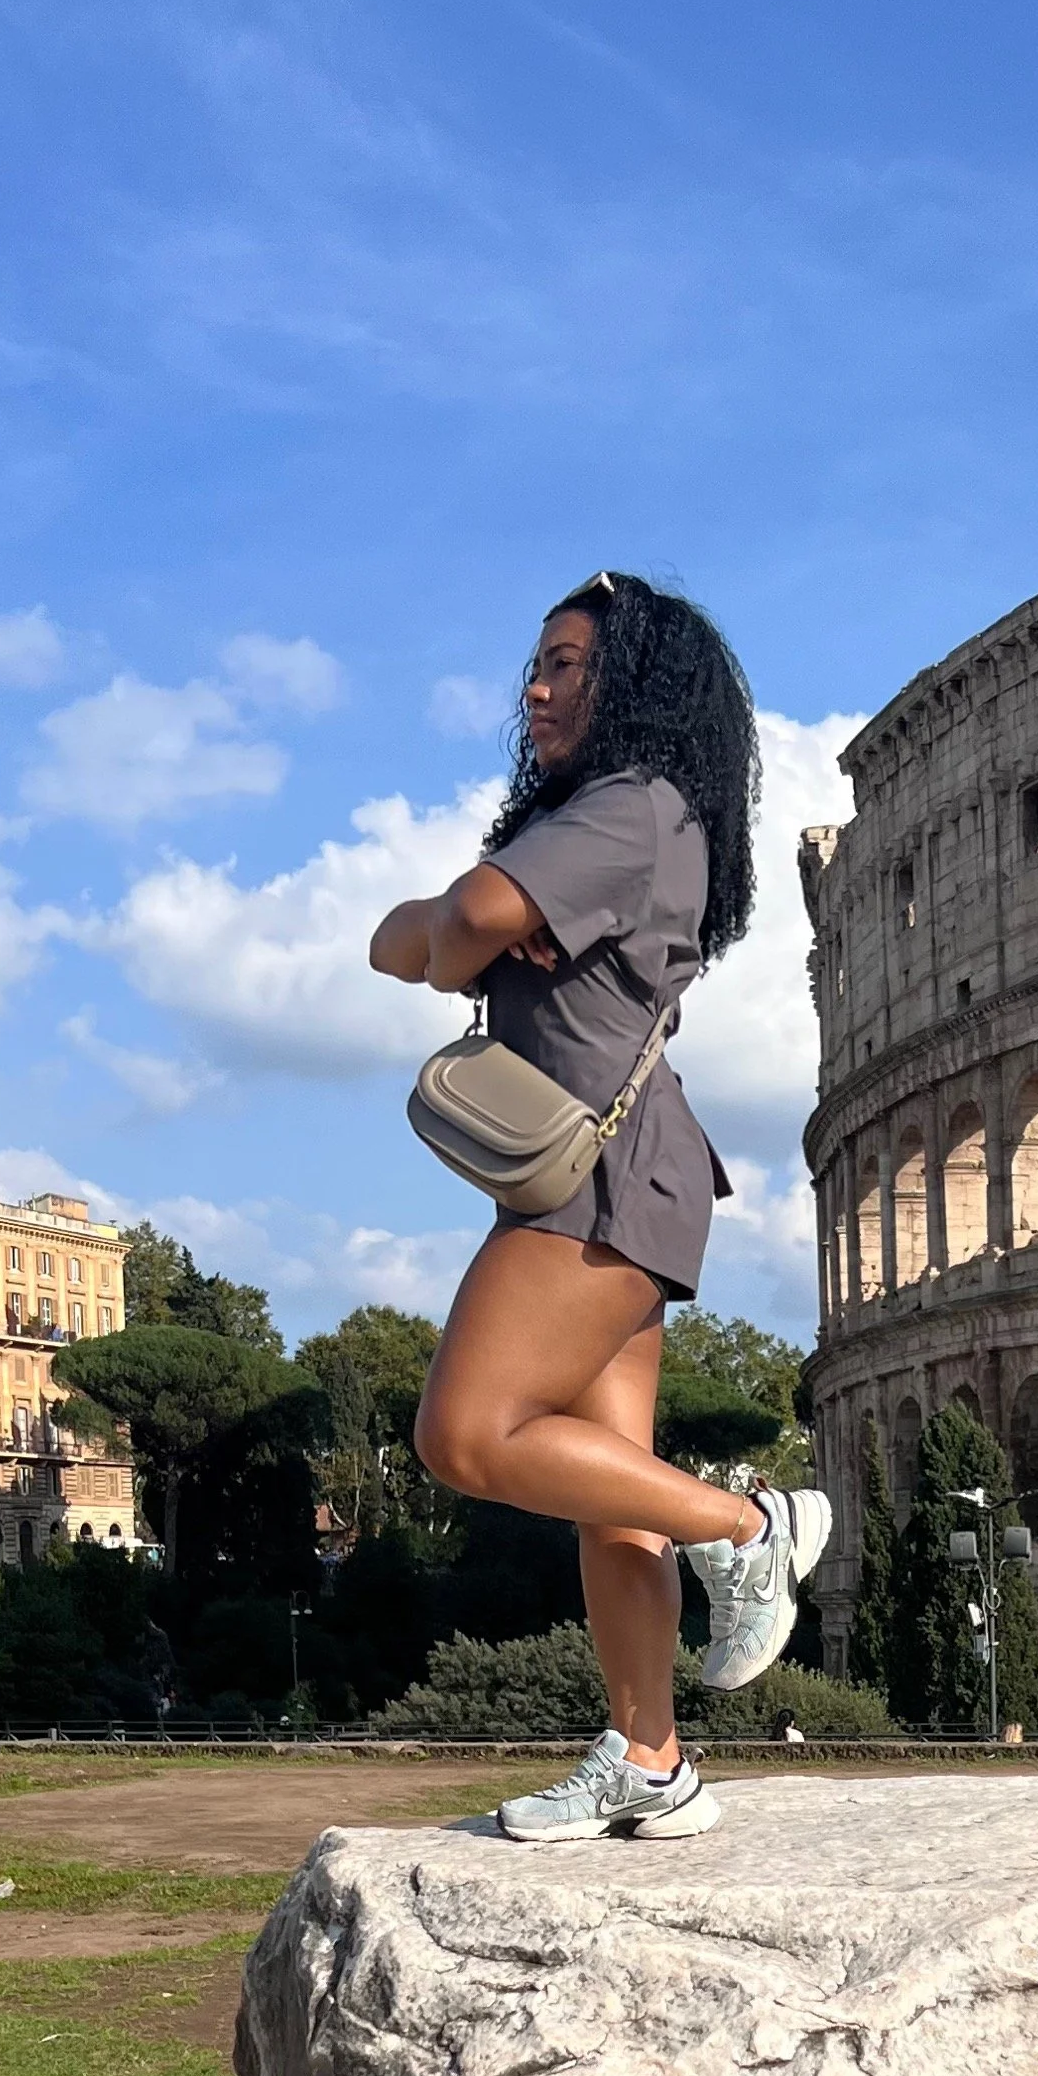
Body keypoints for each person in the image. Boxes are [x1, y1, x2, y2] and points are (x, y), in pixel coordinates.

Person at [370, 571, 829, 1843]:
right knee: (607, 1490)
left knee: (462, 1432)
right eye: (539, 663)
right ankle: (651, 1753)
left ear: (635, 686)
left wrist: (462, 925)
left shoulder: (636, 807)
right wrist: (461, 927)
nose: (536, 687)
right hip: (629, 1169)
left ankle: (752, 1524)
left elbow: (446, 923)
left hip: (599, 1178)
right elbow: (399, 940)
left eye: (567, 665)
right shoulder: (612, 818)